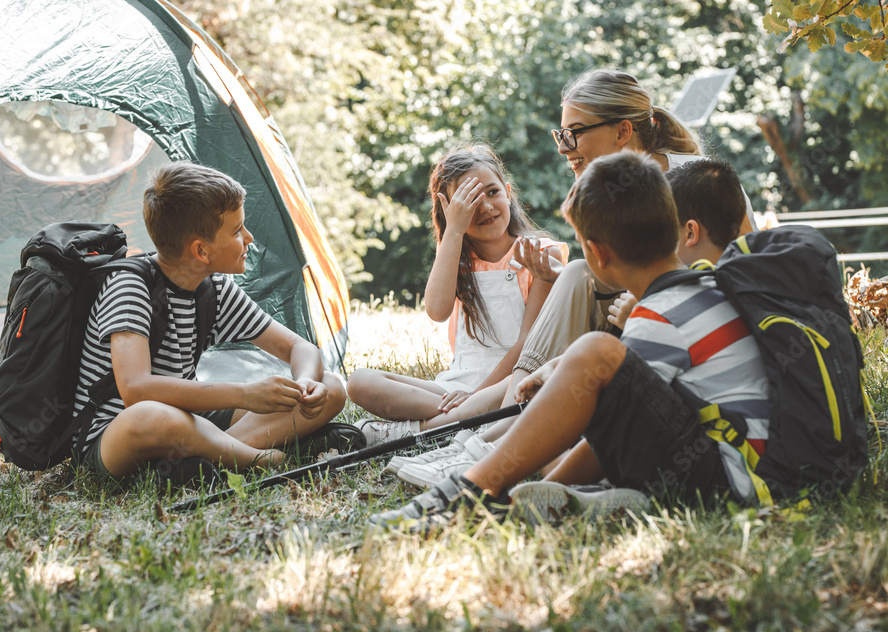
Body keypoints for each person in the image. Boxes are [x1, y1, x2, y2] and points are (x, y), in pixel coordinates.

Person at [388, 69, 760, 490]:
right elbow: (611, 274)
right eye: (560, 135)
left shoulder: (698, 182)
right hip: (641, 324)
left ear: (622, 131)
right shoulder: (602, 185)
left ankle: (491, 442)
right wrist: (555, 278)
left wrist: (645, 306)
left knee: (581, 279)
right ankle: (495, 434)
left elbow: (747, 279)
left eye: (575, 134)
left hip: (687, 328)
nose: (566, 149)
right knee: (578, 272)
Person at [369, 151, 770, 533]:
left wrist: (534, 483)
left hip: (724, 479)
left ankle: (469, 492)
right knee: (563, 419)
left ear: (595, 253)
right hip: (722, 461)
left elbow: (619, 416)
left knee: (593, 355)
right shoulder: (694, 292)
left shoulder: (659, 315)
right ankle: (598, 494)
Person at [71, 162, 346, 483]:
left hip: (191, 422)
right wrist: (244, 394)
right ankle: (259, 458)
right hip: (115, 434)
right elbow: (136, 390)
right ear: (201, 250)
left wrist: (304, 386)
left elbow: (298, 346)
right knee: (153, 416)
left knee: (332, 387)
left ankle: (204, 463)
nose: (249, 237)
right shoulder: (130, 286)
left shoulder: (212, 289)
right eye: (236, 230)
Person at [348, 144, 566, 445]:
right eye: (470, 201)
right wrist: (453, 232)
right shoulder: (456, 259)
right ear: (450, 211)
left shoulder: (539, 253)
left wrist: (478, 395)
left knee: (500, 395)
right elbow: (437, 310)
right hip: (458, 383)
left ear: (508, 191)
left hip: (513, 378)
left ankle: (414, 432)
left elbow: (527, 344)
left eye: (492, 192)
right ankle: (465, 420)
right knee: (360, 382)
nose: (486, 206)